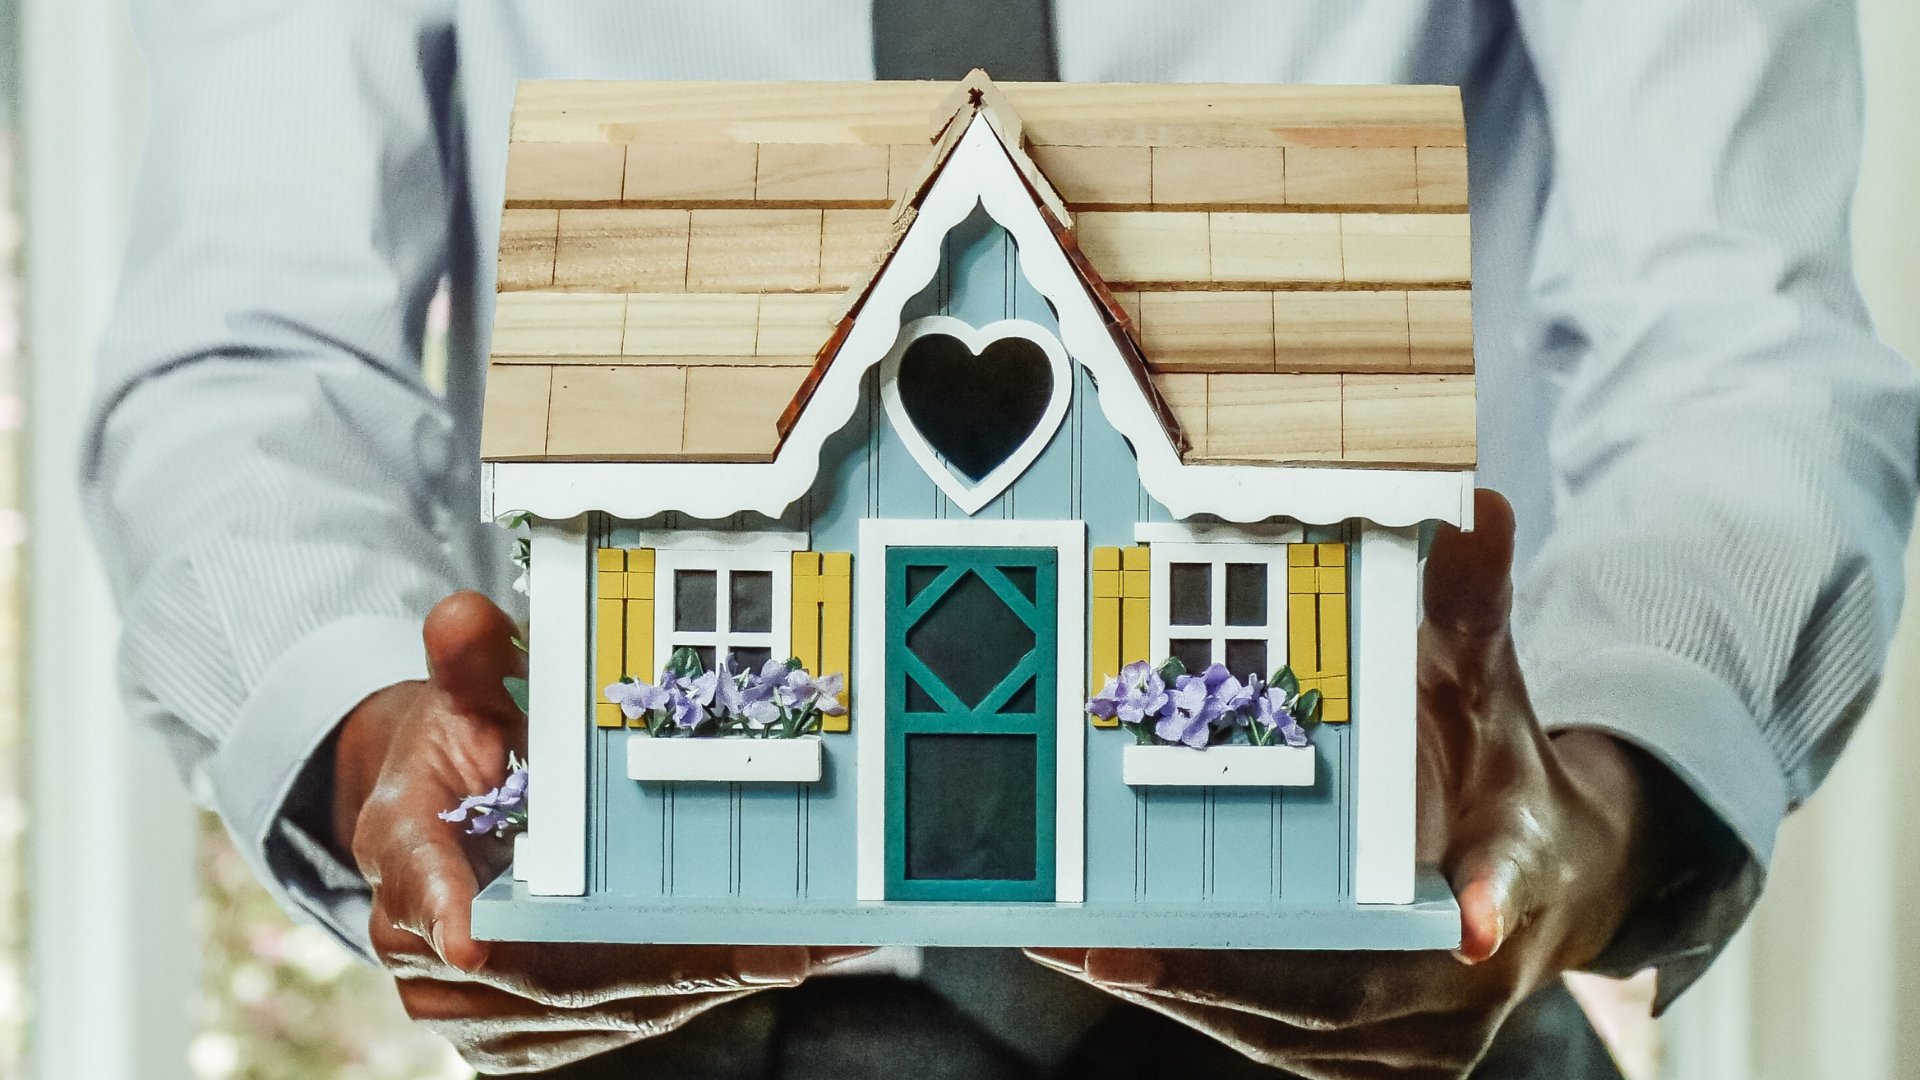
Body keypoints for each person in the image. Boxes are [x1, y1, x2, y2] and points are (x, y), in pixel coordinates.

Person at [82, 1, 1919, 1077]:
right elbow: (251, 348)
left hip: (1390, 1009)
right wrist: (375, 731)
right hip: (666, 1038)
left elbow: (1740, 335)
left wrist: (1595, 784)